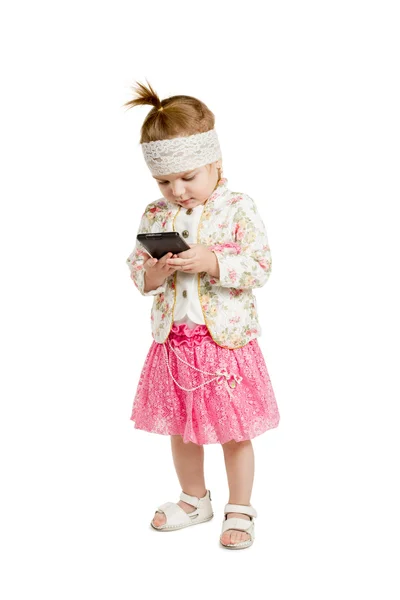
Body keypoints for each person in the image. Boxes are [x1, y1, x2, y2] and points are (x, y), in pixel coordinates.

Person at [124, 80, 280, 550]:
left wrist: (212, 261)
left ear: (216, 163)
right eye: (164, 181)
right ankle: (195, 497)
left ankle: (240, 506)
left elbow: (260, 265)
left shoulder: (238, 208)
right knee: (181, 425)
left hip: (225, 343)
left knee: (234, 429)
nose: (177, 189)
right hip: (175, 342)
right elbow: (137, 272)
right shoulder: (156, 213)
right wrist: (154, 273)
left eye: (188, 177)